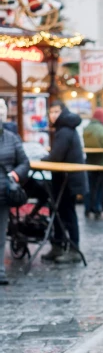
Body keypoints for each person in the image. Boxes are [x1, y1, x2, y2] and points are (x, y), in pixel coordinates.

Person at [42, 101, 87, 264]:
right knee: (60, 212)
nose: (53, 115)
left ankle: (73, 250)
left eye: (56, 112)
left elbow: (56, 156)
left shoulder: (64, 130)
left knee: (68, 213)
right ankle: (58, 246)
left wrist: (41, 159)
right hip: (65, 179)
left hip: (68, 180)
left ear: (62, 112)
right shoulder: (64, 128)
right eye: (51, 112)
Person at [0, 99, 29, 284]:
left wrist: (14, 175)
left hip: (3, 193)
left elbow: (24, 162)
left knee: (1, 234)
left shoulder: (11, 138)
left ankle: (0, 271)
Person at [83, 108, 103, 219]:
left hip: (90, 162)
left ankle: (88, 209)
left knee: (90, 187)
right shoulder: (102, 129)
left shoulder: (86, 128)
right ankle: (101, 209)